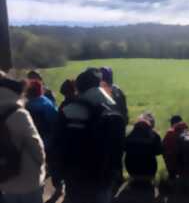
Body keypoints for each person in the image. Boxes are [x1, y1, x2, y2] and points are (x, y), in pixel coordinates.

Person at [52, 68, 125, 203]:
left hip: (74, 179)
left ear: (78, 88)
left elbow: (57, 145)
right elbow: (118, 150)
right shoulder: (113, 113)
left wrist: (57, 173)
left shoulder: (67, 111)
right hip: (102, 179)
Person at [0, 72, 46, 203]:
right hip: (28, 180)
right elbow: (36, 145)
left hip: (4, 179)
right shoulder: (19, 114)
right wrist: (42, 165)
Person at [125, 112, 162, 180]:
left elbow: (124, 148)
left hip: (131, 168)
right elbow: (159, 152)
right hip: (149, 170)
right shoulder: (155, 136)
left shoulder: (129, 133)